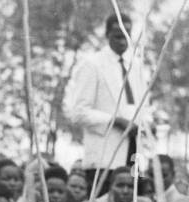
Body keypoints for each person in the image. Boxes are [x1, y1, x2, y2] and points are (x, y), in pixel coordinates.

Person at [64, 14, 149, 191]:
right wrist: (115, 121)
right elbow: (79, 113)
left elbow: (144, 107)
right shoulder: (92, 64)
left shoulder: (136, 65)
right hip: (105, 155)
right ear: (107, 34)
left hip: (135, 151)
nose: (123, 40)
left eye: (127, 34)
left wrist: (147, 124)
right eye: (118, 35)